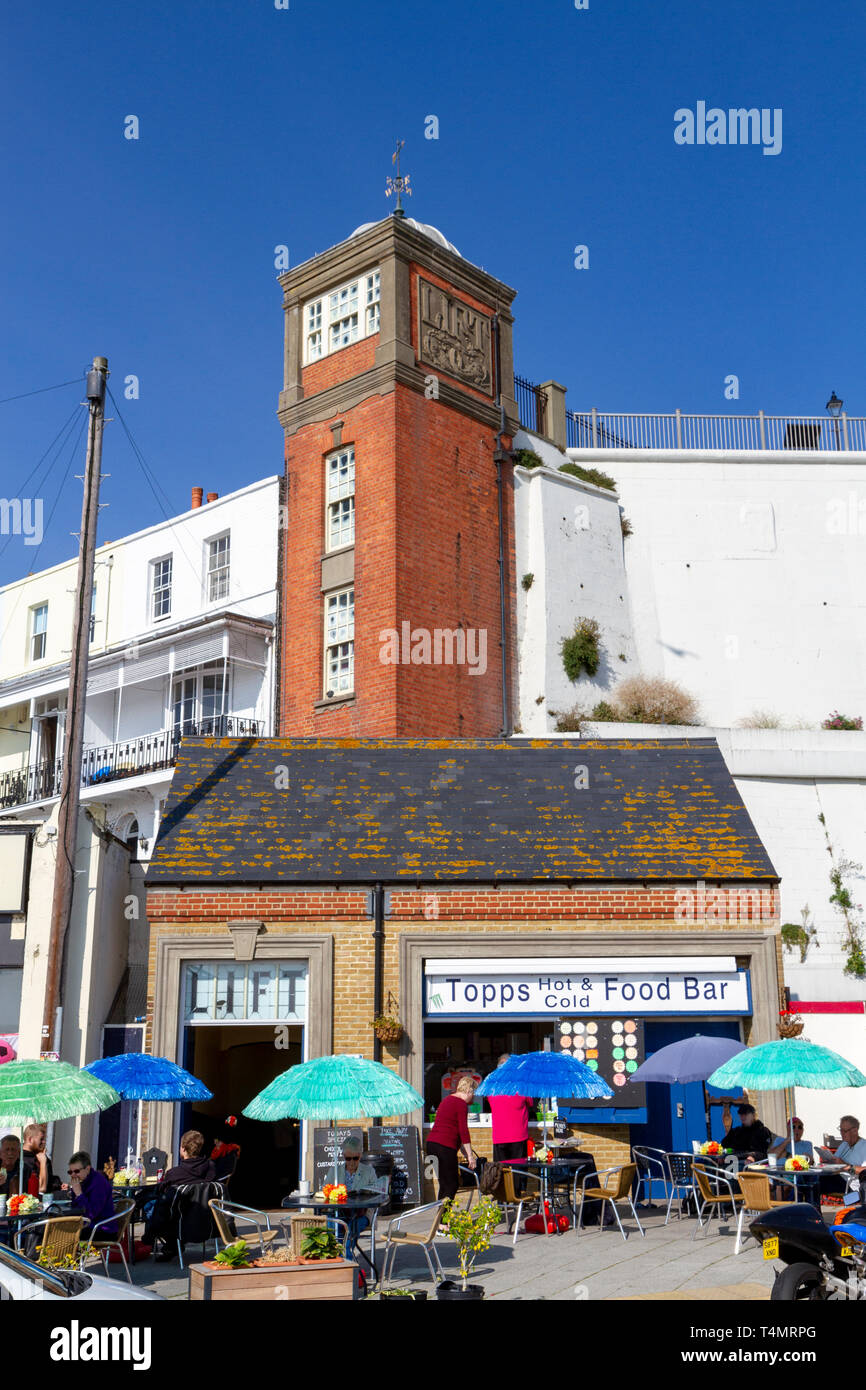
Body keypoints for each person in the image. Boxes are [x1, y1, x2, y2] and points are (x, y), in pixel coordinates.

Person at [142, 1130, 216, 1261]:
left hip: (179, 1223)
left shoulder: (174, 1173)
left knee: (151, 1206)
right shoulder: (211, 1168)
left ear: (183, 1149)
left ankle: (155, 1242)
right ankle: (172, 1246)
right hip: (206, 1220)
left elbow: (162, 1195)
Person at [426, 1074, 477, 1202]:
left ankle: (441, 1219)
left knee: (444, 1184)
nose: (473, 1096)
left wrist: (466, 1153)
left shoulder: (447, 1100)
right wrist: (470, 1157)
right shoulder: (461, 1104)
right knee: (452, 1184)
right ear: (468, 1090)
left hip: (432, 1144)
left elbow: (454, 1132)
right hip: (444, 1147)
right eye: (473, 1092)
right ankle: (443, 1221)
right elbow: (463, 1131)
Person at [487, 1054, 534, 1163]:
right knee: (518, 1172)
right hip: (518, 1135)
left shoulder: (491, 1086)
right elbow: (530, 1102)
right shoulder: (521, 1085)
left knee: (501, 1173)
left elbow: (491, 1103)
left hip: (499, 1136)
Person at [65, 1150, 117, 1238]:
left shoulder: (98, 1183)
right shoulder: (83, 1181)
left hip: (102, 1229)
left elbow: (91, 1213)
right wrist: (75, 1193)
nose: (73, 1175)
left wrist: (79, 1194)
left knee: (65, 1235)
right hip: (88, 1225)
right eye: (70, 1172)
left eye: (77, 1171)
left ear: (87, 1169)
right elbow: (76, 1208)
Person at [21, 1123, 60, 1194]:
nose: (44, 1142)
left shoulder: (42, 1156)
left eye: (45, 1139)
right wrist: (43, 1163)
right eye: (41, 1139)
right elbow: (41, 1189)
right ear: (30, 1139)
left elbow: (49, 1183)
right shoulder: (21, 1159)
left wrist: (59, 1185)